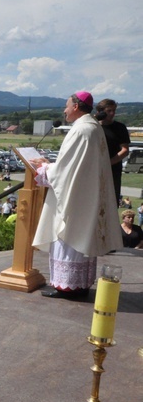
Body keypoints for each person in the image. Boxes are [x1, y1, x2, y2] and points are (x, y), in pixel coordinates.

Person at [32, 91, 122, 299]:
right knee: (80, 240)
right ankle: (79, 285)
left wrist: (46, 169)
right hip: (85, 193)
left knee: (69, 237)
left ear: (75, 107)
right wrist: (52, 165)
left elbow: (66, 170)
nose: (64, 110)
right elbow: (74, 165)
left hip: (75, 198)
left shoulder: (81, 130)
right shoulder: (93, 128)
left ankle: (67, 287)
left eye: (66, 105)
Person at [95, 98, 130, 206]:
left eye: (114, 110)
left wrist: (108, 163)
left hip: (112, 170)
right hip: (94, 169)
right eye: (109, 111)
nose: (112, 113)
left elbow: (125, 150)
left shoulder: (120, 127)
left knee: (111, 203)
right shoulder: (93, 126)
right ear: (100, 112)